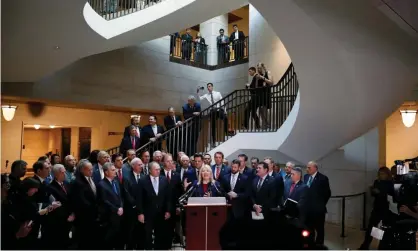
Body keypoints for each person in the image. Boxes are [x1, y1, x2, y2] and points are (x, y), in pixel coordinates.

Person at [359, 167, 395, 250]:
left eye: (382, 174)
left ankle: (383, 246)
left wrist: (381, 193)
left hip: (387, 208)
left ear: (387, 174)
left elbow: (391, 195)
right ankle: (365, 245)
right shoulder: (377, 182)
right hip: (377, 207)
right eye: (379, 174)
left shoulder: (391, 183)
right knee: (371, 227)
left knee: (385, 228)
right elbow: (374, 194)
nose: (380, 175)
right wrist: (373, 191)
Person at [138, 161, 172, 250]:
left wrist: (168, 211)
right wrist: (140, 213)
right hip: (148, 213)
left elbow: (168, 197)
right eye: (156, 169)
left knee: (160, 235)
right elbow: (139, 199)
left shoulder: (164, 179)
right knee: (147, 235)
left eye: (159, 169)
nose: (158, 171)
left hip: (161, 213)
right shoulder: (142, 181)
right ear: (150, 170)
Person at [219, 159, 250, 249]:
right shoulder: (225, 177)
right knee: (226, 227)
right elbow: (221, 190)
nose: (233, 168)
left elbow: (247, 193)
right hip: (227, 207)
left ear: (239, 167)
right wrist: (227, 194)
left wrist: (237, 195)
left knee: (238, 229)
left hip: (239, 209)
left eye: (235, 167)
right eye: (232, 166)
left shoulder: (245, 178)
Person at [70, 160, 99, 250]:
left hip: (92, 216)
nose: (91, 171)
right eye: (88, 170)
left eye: (92, 169)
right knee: (83, 242)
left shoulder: (90, 178)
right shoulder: (77, 182)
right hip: (84, 217)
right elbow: (81, 201)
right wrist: (95, 208)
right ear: (82, 170)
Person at [43, 164, 74, 249]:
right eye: (63, 172)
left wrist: (72, 213)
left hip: (70, 218)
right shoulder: (50, 187)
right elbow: (56, 205)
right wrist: (67, 216)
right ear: (56, 174)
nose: (65, 174)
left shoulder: (67, 183)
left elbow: (72, 200)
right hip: (59, 221)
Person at [97, 162, 124, 249]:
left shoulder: (116, 182)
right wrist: (116, 209)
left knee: (118, 241)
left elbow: (120, 196)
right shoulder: (101, 184)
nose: (115, 171)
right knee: (108, 242)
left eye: (115, 169)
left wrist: (121, 207)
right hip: (108, 217)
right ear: (106, 172)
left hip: (119, 216)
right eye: (112, 170)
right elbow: (104, 201)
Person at [304, 161, 331, 247]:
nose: (307, 169)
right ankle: (310, 244)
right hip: (308, 209)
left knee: (319, 229)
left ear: (315, 168)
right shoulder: (306, 177)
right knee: (309, 228)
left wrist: (320, 204)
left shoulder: (323, 178)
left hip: (318, 209)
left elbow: (327, 194)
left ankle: (319, 245)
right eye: (307, 167)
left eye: (309, 168)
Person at [197, 83, 228, 147]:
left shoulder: (218, 93)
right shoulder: (206, 95)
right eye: (208, 87)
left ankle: (226, 133)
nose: (208, 87)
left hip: (219, 109)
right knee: (213, 126)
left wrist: (225, 111)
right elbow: (200, 99)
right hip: (213, 111)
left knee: (226, 118)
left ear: (212, 87)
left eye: (210, 86)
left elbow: (222, 102)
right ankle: (213, 141)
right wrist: (198, 92)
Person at [256, 62, 274, 129]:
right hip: (260, 95)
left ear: (263, 67)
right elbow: (257, 86)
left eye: (260, 68)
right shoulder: (258, 75)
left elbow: (271, 82)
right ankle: (265, 125)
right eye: (258, 68)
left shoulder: (267, 73)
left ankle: (269, 125)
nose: (259, 69)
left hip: (266, 94)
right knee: (260, 111)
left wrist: (262, 78)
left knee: (265, 110)